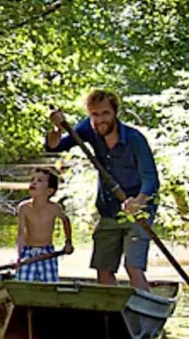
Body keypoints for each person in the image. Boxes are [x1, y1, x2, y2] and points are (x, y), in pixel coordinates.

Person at [46, 88, 159, 291]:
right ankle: (112, 313)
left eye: (105, 113)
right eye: (95, 114)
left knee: (133, 266)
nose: (100, 120)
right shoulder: (88, 129)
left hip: (138, 210)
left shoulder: (135, 139)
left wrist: (138, 201)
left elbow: (151, 179)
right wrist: (57, 128)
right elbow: (54, 147)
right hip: (108, 209)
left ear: (115, 113)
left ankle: (142, 312)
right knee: (103, 267)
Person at [15, 168, 73, 282]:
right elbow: (21, 233)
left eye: (39, 180)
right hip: (28, 251)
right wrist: (18, 255)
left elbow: (66, 221)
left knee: (50, 284)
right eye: (32, 179)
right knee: (24, 282)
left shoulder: (54, 208)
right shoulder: (24, 208)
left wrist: (68, 242)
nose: (33, 182)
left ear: (49, 191)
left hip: (47, 252)